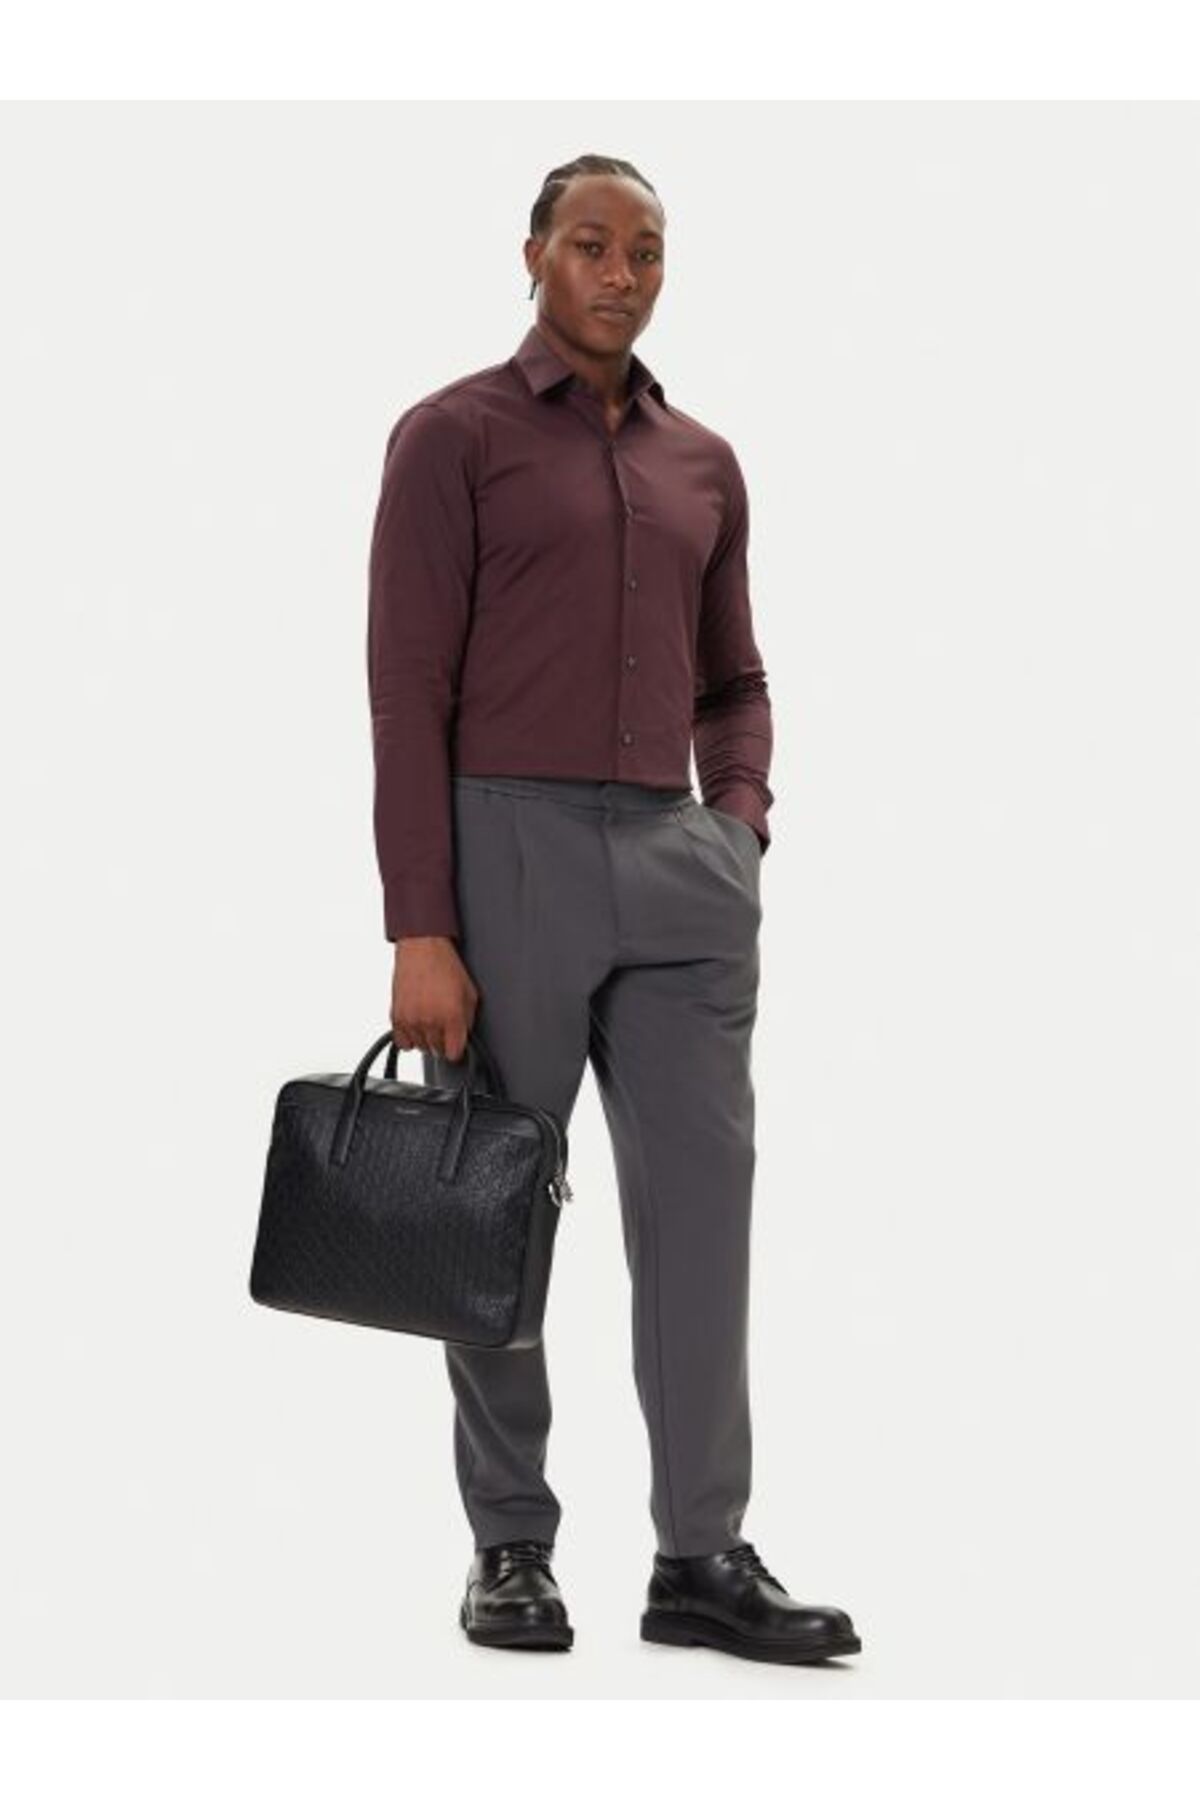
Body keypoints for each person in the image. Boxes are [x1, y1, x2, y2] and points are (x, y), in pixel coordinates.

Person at [366, 152, 862, 1666]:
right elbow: (406, 692)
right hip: (502, 851)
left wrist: (741, 829)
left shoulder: (704, 461)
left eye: (646, 250)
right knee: (492, 1209)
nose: (621, 272)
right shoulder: (451, 436)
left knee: (705, 1215)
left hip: (677, 863)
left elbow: (737, 677)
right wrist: (420, 923)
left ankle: (700, 1554)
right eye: (591, 244)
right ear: (533, 255)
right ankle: (510, 1543)